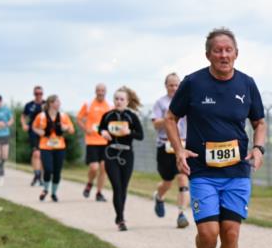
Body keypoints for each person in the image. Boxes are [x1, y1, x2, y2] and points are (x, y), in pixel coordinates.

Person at [164, 27, 266, 248]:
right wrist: (179, 149)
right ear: (208, 54)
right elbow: (171, 117)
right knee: (209, 234)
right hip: (203, 171)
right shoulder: (193, 83)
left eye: (228, 50)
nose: (223, 55)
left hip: (236, 172)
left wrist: (258, 148)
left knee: (231, 232)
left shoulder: (246, 84)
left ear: (236, 53)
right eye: (217, 50)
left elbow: (259, 122)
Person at [98, 87, 145, 231]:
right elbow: (100, 128)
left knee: (123, 187)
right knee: (117, 186)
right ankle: (120, 219)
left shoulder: (132, 117)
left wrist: (129, 132)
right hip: (111, 153)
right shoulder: (107, 116)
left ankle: (120, 215)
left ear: (127, 101)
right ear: (113, 100)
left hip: (127, 154)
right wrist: (103, 132)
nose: (119, 101)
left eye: (122, 99)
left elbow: (140, 135)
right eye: (116, 99)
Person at [151, 72, 190, 229]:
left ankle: (182, 214)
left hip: (183, 145)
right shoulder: (160, 103)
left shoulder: (186, 101)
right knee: (167, 181)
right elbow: (155, 124)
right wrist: (170, 118)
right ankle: (159, 196)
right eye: (171, 85)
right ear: (166, 86)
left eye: (176, 85)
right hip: (165, 146)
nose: (174, 88)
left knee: (183, 178)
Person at [32, 94, 75, 202]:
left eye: (59, 102)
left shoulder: (63, 116)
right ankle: (46, 189)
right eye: (57, 102)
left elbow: (72, 130)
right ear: (51, 103)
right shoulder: (41, 116)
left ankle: (54, 193)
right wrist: (39, 131)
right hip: (45, 146)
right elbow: (34, 126)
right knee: (48, 169)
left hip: (60, 147)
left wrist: (66, 128)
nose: (59, 104)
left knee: (57, 172)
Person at [78, 83, 112, 202]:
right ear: (95, 91)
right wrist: (85, 129)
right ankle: (89, 183)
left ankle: (99, 193)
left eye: (103, 90)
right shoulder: (88, 104)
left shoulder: (110, 105)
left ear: (105, 92)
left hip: (105, 141)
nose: (100, 92)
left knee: (103, 168)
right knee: (94, 167)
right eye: (99, 90)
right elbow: (79, 118)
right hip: (92, 141)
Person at [21, 86, 45, 187]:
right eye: (36, 93)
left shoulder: (46, 104)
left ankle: (40, 177)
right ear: (34, 94)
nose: (38, 95)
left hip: (44, 132)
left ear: (42, 94)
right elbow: (23, 116)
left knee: (42, 155)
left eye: (40, 93)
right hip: (33, 131)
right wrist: (24, 124)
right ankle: (37, 176)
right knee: (36, 153)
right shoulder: (29, 105)